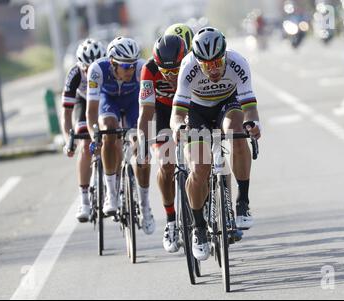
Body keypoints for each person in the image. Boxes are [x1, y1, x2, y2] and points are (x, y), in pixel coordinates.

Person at [170, 27, 262, 261]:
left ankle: (242, 201)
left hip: (227, 104)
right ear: (198, 62)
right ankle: (199, 227)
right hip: (197, 111)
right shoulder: (188, 66)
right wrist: (178, 127)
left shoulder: (238, 62)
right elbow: (177, 113)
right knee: (199, 168)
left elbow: (249, 106)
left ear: (225, 56)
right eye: (207, 65)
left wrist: (253, 123)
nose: (213, 69)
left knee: (236, 132)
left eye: (217, 62)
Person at [86, 36, 155, 235]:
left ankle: (144, 205)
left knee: (140, 149)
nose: (130, 70)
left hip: (135, 102)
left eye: (132, 65)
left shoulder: (142, 69)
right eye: (125, 66)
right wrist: (94, 136)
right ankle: (112, 194)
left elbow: (148, 108)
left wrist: (144, 138)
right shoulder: (97, 70)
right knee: (108, 130)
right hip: (109, 101)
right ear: (113, 64)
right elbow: (91, 111)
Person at [138, 28, 192, 253]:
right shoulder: (149, 69)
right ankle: (171, 221)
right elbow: (146, 112)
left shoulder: (192, 63)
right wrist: (143, 144)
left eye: (175, 69)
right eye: (165, 71)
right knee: (166, 163)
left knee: (202, 153)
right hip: (162, 112)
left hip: (190, 107)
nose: (170, 75)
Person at [61, 38, 106, 222]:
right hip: (83, 102)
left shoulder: (108, 69)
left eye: (94, 67)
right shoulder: (74, 75)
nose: (90, 73)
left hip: (103, 100)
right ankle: (85, 198)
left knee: (112, 137)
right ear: (80, 66)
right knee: (86, 144)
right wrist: (68, 141)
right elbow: (65, 115)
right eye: (86, 69)